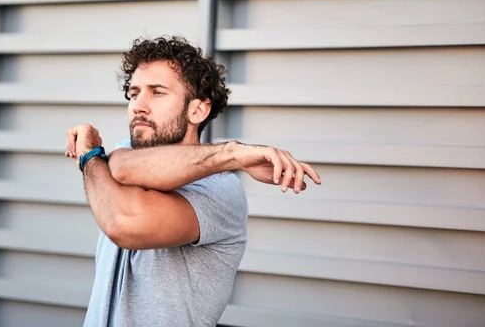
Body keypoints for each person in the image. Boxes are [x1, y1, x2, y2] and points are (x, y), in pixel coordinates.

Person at [65, 36, 321, 327]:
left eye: (157, 92)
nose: (139, 105)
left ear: (198, 110)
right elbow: (123, 166)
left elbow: (122, 223)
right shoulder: (120, 157)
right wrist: (234, 154)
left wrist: (90, 157)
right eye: (134, 93)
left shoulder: (219, 190)